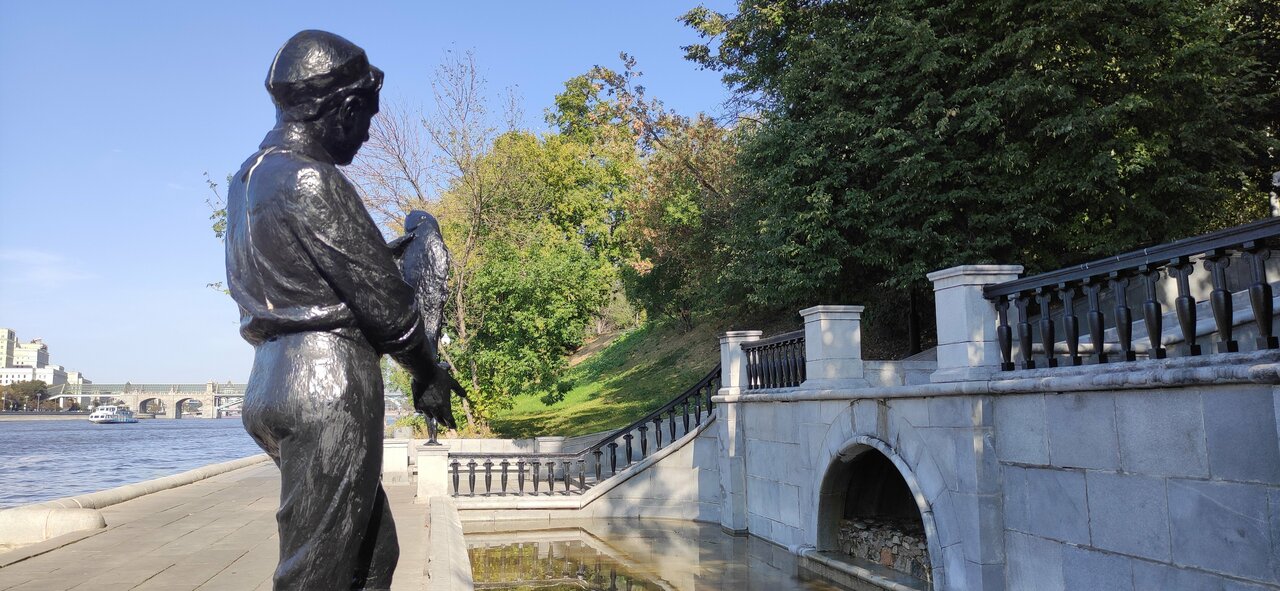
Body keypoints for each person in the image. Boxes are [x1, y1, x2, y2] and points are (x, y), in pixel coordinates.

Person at [224, 30, 442, 591]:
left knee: (373, 550)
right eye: (366, 117)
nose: (367, 133)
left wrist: (377, 255)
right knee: (316, 573)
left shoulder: (247, 178)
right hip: (327, 385)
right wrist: (428, 373)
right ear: (344, 108)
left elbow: (296, 274)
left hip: (271, 380)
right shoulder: (310, 176)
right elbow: (392, 311)